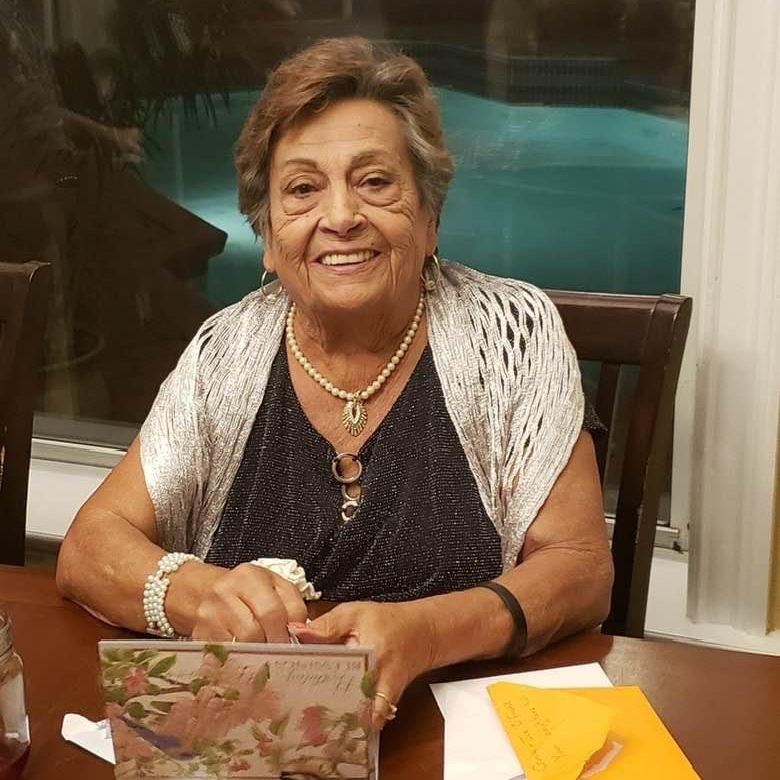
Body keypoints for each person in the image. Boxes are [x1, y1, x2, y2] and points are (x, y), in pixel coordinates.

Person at [57, 37, 613, 727]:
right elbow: (88, 548)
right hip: (259, 742)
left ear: (429, 217)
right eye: (302, 189)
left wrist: (430, 631)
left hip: (451, 740)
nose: (341, 216)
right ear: (268, 236)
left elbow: (582, 570)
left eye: (375, 182)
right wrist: (197, 596)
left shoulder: (513, 335)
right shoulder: (224, 353)